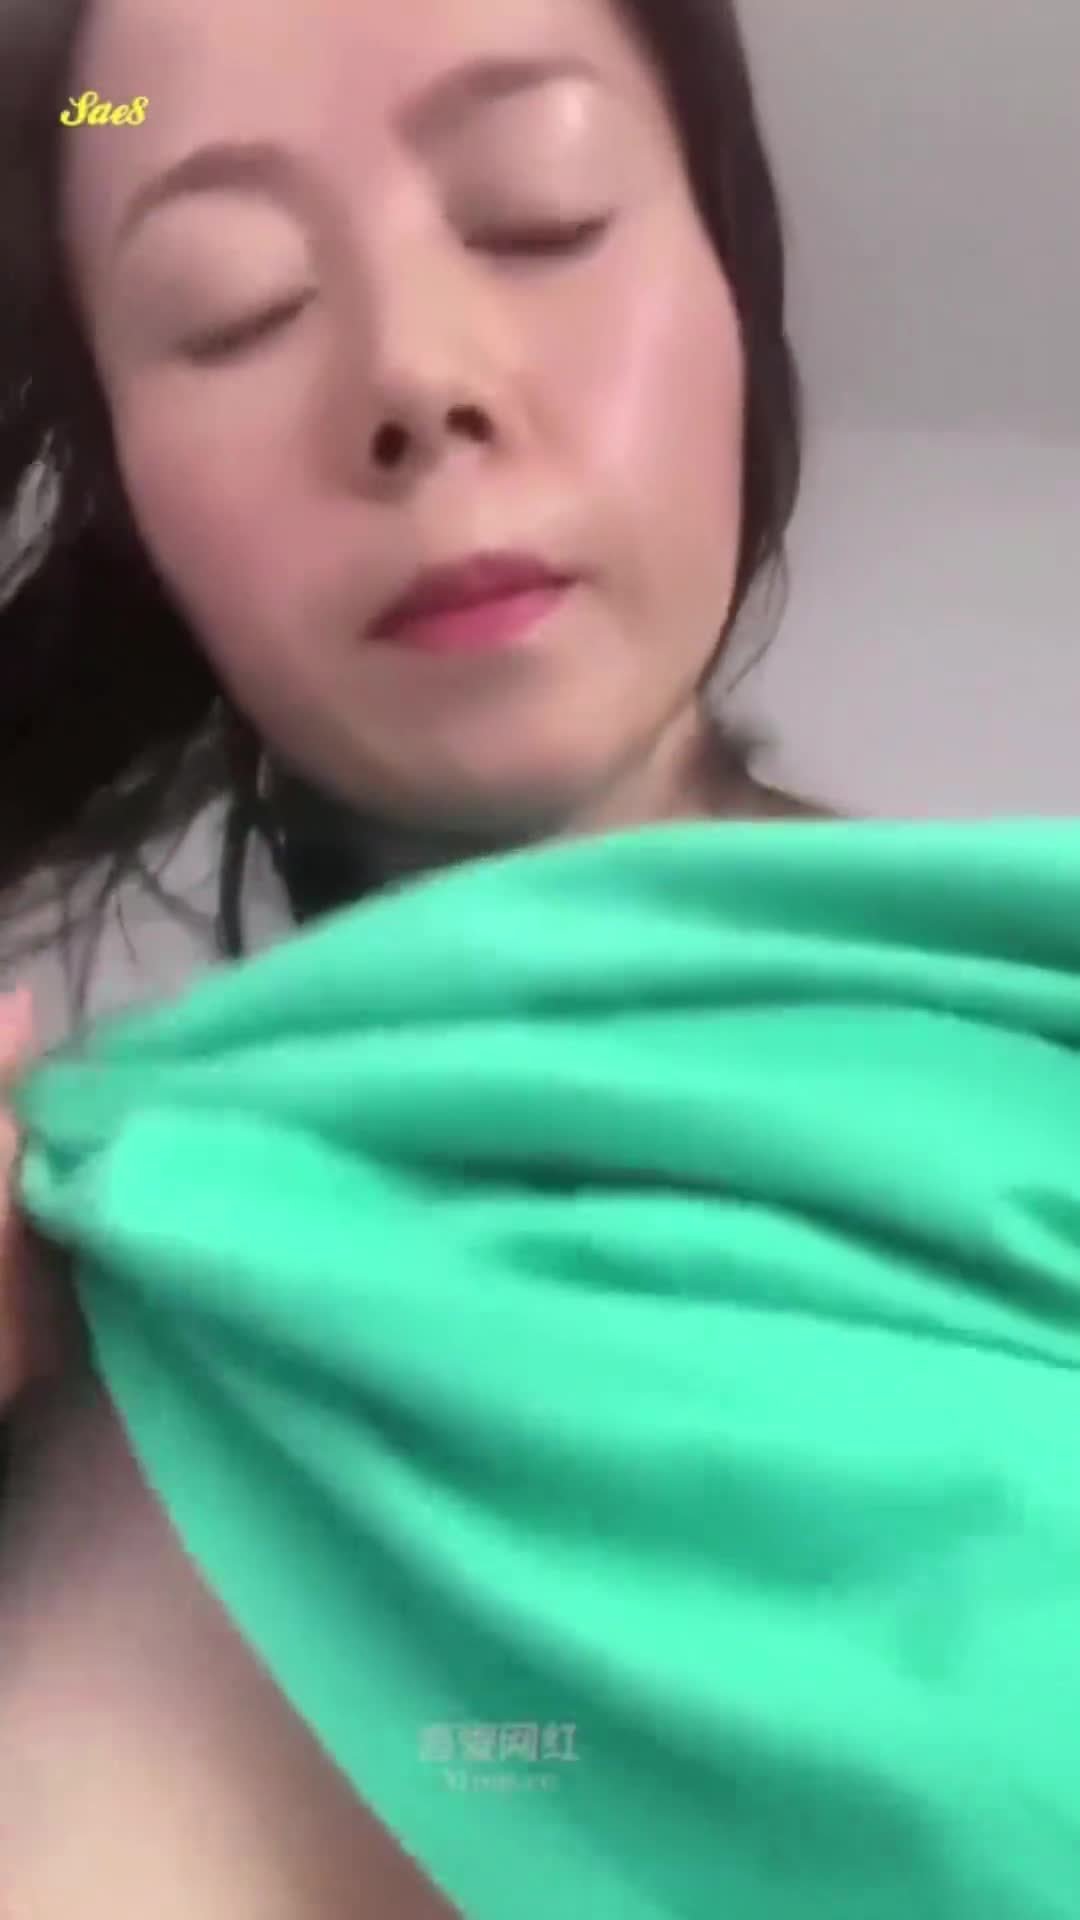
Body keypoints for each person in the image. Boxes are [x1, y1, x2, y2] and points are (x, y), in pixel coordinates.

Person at [0, 0, 818, 1910]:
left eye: (538, 212)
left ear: (732, 277)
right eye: (232, 308)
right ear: (137, 492)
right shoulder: (87, 1290)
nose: (416, 377)